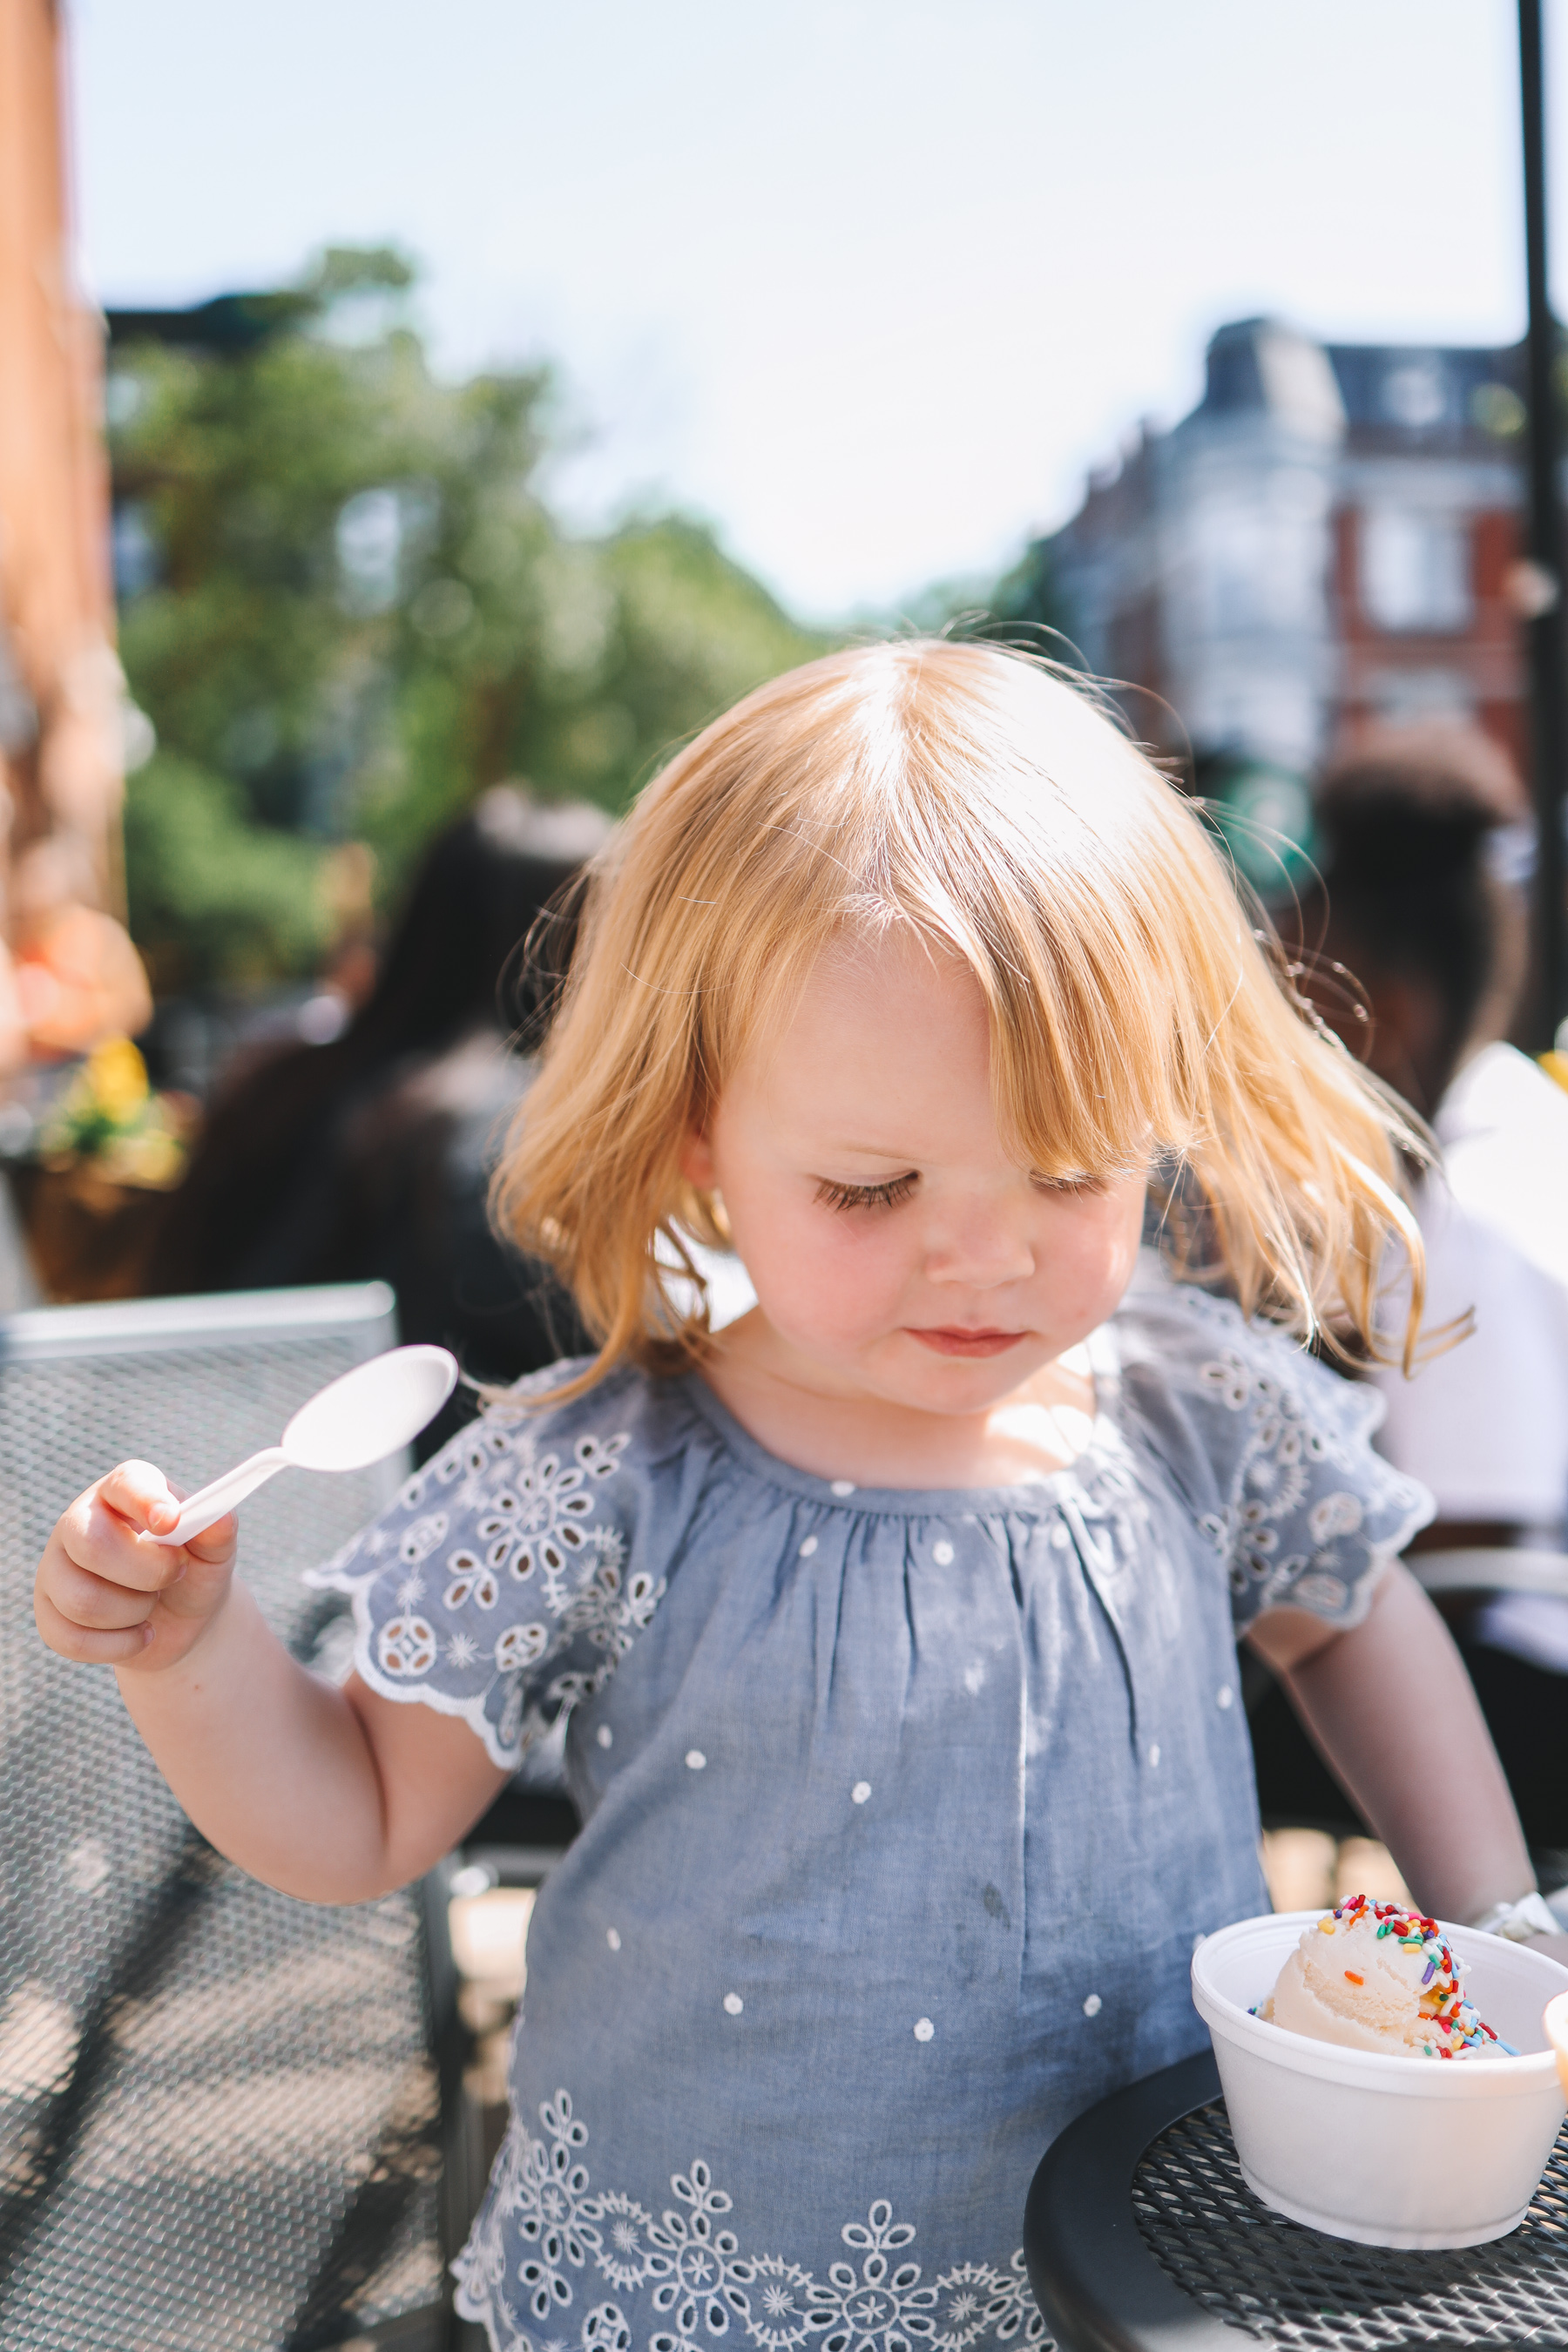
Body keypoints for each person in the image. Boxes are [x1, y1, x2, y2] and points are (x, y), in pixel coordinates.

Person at [33, 644, 1565, 2352]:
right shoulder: (610, 1473)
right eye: (870, 1185)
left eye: (1068, 1168)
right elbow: (358, 1817)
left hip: (1139, 2272)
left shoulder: (1196, 1405)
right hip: (709, 2298)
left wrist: (1486, 1935)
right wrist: (189, 1648)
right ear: (698, 1129)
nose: (977, 1251)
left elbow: (1349, 1612)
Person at [1280, 726, 1568, 1848]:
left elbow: (1461, 1541)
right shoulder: (1517, 1111)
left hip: (1533, 1675)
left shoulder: (1460, 1218)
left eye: (1295, 1011)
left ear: (1383, 1013)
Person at [144, 787, 606, 1455]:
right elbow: (621, 1374)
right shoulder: (515, 1142)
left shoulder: (278, 1087)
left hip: (208, 1490)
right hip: (421, 1530)